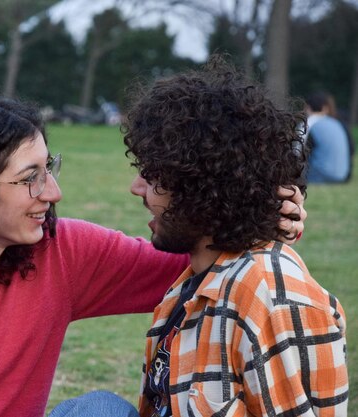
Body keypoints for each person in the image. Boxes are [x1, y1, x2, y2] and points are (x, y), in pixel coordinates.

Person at [0, 89, 305, 417]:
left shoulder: (61, 252)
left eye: (50, 168)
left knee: (103, 412)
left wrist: (261, 221)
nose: (53, 193)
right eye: (30, 179)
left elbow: (196, 265)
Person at [50, 59, 348, 417]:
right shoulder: (194, 279)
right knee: (96, 409)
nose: (135, 188)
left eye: (154, 177)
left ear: (203, 189)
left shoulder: (272, 300)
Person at [304, 91, 352, 183]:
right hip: (342, 175)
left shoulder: (309, 123)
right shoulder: (337, 123)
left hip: (320, 175)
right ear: (325, 108)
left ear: (307, 107)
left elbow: (296, 152)